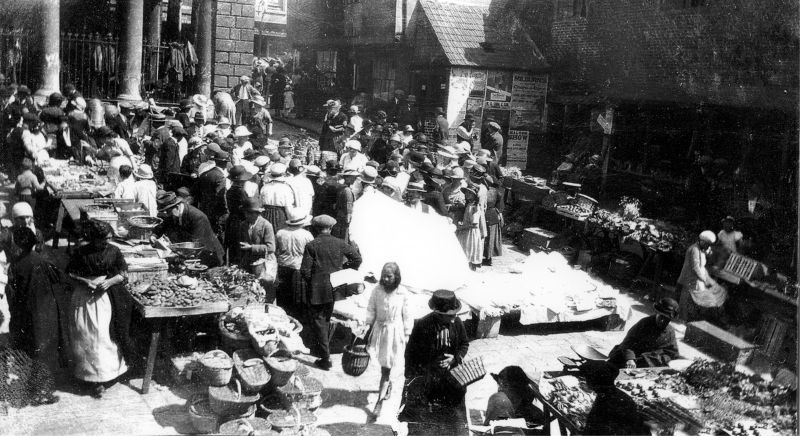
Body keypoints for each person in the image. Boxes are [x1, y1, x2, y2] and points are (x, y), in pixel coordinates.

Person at [67, 220, 134, 398]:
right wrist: (86, 281)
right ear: (93, 239)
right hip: (85, 298)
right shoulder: (81, 252)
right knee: (86, 334)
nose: (106, 242)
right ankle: (90, 376)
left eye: (109, 238)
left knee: (104, 335)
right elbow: (70, 274)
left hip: (106, 298)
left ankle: (106, 375)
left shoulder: (114, 251)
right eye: (102, 240)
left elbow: (123, 273)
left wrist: (109, 282)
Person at [400, 290, 469, 434]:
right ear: (438, 313)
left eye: (454, 315)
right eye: (449, 316)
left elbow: (464, 344)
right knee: (424, 420)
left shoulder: (457, 323)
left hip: (451, 377)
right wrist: (412, 377)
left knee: (454, 418)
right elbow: (410, 353)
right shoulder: (422, 325)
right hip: (428, 378)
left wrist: (454, 359)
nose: (453, 319)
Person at [301, 215, 362, 370]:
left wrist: (313, 282)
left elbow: (305, 271)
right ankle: (322, 349)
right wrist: (344, 268)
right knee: (326, 318)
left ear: (315, 228)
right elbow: (357, 259)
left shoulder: (311, 245)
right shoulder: (340, 243)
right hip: (335, 287)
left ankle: (325, 357)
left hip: (317, 289)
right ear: (331, 228)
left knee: (319, 321)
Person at [6, 227, 70, 372]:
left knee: (31, 339)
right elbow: (59, 279)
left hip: (27, 309)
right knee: (46, 338)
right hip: (47, 306)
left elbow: (13, 293)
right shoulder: (43, 259)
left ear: (17, 243)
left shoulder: (17, 265)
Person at [366, 262, 412, 417]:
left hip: (394, 332)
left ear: (396, 276)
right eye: (383, 275)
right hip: (380, 331)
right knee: (382, 364)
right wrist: (367, 325)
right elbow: (371, 308)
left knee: (386, 367)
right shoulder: (377, 290)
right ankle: (387, 384)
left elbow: (407, 315)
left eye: (389, 276)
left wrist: (407, 333)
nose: (385, 279)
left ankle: (379, 402)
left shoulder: (402, 293)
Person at [155, 191, 225, 267]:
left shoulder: (197, 217)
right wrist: (154, 235)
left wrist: (179, 255)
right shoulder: (173, 213)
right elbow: (164, 225)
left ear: (177, 207)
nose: (166, 214)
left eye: (167, 211)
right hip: (191, 254)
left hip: (209, 255)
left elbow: (196, 243)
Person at [580, 360, 650, 435]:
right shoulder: (609, 394)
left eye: (587, 379)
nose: (586, 383)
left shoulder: (610, 402)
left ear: (594, 383)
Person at [608, 298, 680, 369]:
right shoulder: (644, 323)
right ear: (656, 313)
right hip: (631, 357)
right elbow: (627, 343)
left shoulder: (670, 331)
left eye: (666, 319)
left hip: (648, 362)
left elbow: (673, 353)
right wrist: (630, 359)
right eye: (661, 316)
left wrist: (659, 359)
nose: (662, 321)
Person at [677, 231, 727, 322]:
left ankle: (685, 319)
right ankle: (681, 319)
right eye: (707, 244)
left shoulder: (701, 250)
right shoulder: (694, 250)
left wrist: (708, 279)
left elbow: (702, 267)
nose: (708, 246)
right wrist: (704, 279)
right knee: (685, 300)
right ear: (703, 242)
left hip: (695, 280)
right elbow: (695, 267)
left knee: (692, 300)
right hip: (689, 278)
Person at [237, 197, 277, 302]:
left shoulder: (266, 225)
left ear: (257, 213)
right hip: (249, 262)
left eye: (250, 213)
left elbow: (271, 247)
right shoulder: (243, 225)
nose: (247, 216)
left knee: (265, 292)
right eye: (246, 213)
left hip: (264, 263)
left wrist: (251, 247)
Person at [275, 210, 314, 317]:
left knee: (283, 295)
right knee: (298, 297)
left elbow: (275, 250)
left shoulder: (280, 233)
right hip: (298, 267)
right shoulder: (307, 235)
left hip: (283, 266)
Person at [225, 165, 255, 264]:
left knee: (232, 247)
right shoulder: (240, 192)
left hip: (232, 220)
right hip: (240, 222)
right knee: (240, 247)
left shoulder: (230, 191)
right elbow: (245, 207)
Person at [194, 150, 229, 232]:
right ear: (225, 163)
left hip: (204, 208)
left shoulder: (205, 173)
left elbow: (196, 191)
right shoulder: (220, 177)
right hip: (215, 211)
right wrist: (225, 211)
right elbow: (221, 196)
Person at [260, 162, 296, 233]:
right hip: (280, 215)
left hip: (266, 214)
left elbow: (260, 203)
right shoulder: (286, 188)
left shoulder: (265, 187)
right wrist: (292, 220)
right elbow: (288, 208)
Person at [457, 186, 486, 270]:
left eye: (470, 193)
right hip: (467, 232)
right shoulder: (469, 205)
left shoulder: (475, 207)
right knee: (466, 251)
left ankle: (470, 268)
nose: (467, 194)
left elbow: (475, 224)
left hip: (471, 232)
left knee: (469, 250)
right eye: (466, 192)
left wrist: (462, 227)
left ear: (474, 195)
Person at [482, 176, 504, 266]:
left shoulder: (482, 190)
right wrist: (500, 215)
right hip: (493, 216)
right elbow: (500, 207)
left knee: (484, 237)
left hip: (484, 215)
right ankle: (488, 258)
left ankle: (484, 258)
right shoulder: (497, 192)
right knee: (490, 238)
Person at [333, 170, 358, 242]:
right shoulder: (347, 190)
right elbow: (348, 206)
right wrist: (348, 220)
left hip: (339, 216)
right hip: (344, 217)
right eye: (353, 177)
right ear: (347, 178)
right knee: (344, 237)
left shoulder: (341, 187)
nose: (354, 179)